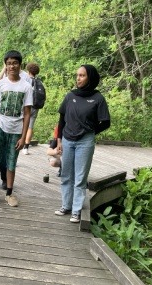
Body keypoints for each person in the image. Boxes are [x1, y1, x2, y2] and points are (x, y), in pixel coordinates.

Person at [55, 64, 111, 222]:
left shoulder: (98, 98)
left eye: (82, 75)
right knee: (66, 174)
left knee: (80, 177)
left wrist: (91, 131)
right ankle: (66, 206)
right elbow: (61, 119)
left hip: (85, 141)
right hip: (67, 139)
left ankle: (76, 210)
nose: (78, 78)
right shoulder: (70, 96)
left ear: (90, 78)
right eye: (77, 75)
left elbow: (105, 122)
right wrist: (59, 140)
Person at [0, 50, 33, 207]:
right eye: (9, 63)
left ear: (20, 65)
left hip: (16, 129)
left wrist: (23, 137)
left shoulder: (26, 87)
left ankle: (9, 193)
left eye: (15, 63)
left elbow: (27, 113)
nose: (12, 66)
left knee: (11, 161)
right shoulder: (0, 84)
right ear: (5, 66)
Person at [22, 62, 41, 155]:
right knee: (30, 127)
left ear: (28, 70)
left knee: (22, 125)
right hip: (35, 106)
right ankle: (26, 148)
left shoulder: (25, 79)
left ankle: (19, 143)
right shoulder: (38, 81)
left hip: (26, 106)